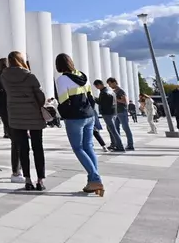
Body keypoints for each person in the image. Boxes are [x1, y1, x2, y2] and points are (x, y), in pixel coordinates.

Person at [55, 53, 104, 196]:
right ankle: (92, 180)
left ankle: (95, 179)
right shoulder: (83, 76)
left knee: (78, 148)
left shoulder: (62, 79)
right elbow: (91, 98)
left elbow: (63, 101)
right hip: (89, 115)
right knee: (88, 147)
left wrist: (64, 115)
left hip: (75, 117)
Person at [0, 51, 46, 191]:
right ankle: (40, 180)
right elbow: (40, 97)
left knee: (22, 148)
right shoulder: (30, 76)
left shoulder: (4, 77)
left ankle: (27, 180)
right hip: (33, 115)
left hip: (15, 115)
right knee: (37, 148)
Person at [0, 58, 23, 183]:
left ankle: (17, 169)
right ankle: (17, 170)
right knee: (17, 142)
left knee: (15, 141)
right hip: (16, 112)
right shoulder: (12, 79)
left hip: (6, 113)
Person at [93, 80, 125, 152]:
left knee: (113, 130)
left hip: (108, 113)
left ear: (99, 84)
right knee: (111, 130)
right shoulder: (110, 91)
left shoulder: (104, 92)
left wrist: (94, 99)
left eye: (96, 86)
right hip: (113, 112)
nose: (96, 88)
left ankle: (120, 146)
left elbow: (102, 102)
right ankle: (114, 144)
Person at [107, 78, 134, 151]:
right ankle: (118, 145)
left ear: (114, 82)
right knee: (116, 129)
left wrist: (115, 99)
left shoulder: (120, 91)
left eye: (110, 84)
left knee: (126, 128)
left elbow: (125, 101)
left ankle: (130, 145)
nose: (109, 86)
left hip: (122, 112)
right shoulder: (114, 91)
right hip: (116, 112)